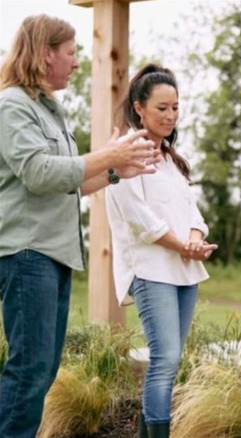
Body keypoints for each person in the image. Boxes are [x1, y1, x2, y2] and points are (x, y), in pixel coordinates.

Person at [0, 15, 160, 438]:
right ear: (44, 53)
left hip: (52, 255)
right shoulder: (12, 105)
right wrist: (109, 155)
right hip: (27, 253)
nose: (75, 63)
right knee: (30, 369)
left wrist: (115, 171)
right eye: (70, 54)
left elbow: (66, 183)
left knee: (43, 368)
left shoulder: (48, 110)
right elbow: (39, 173)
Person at [105, 64, 217, 438]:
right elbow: (141, 220)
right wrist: (184, 244)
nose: (170, 116)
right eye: (161, 108)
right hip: (150, 270)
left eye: (175, 108)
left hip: (184, 270)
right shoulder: (122, 154)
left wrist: (196, 238)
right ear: (139, 107)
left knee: (170, 361)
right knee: (165, 359)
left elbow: (193, 212)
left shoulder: (170, 159)